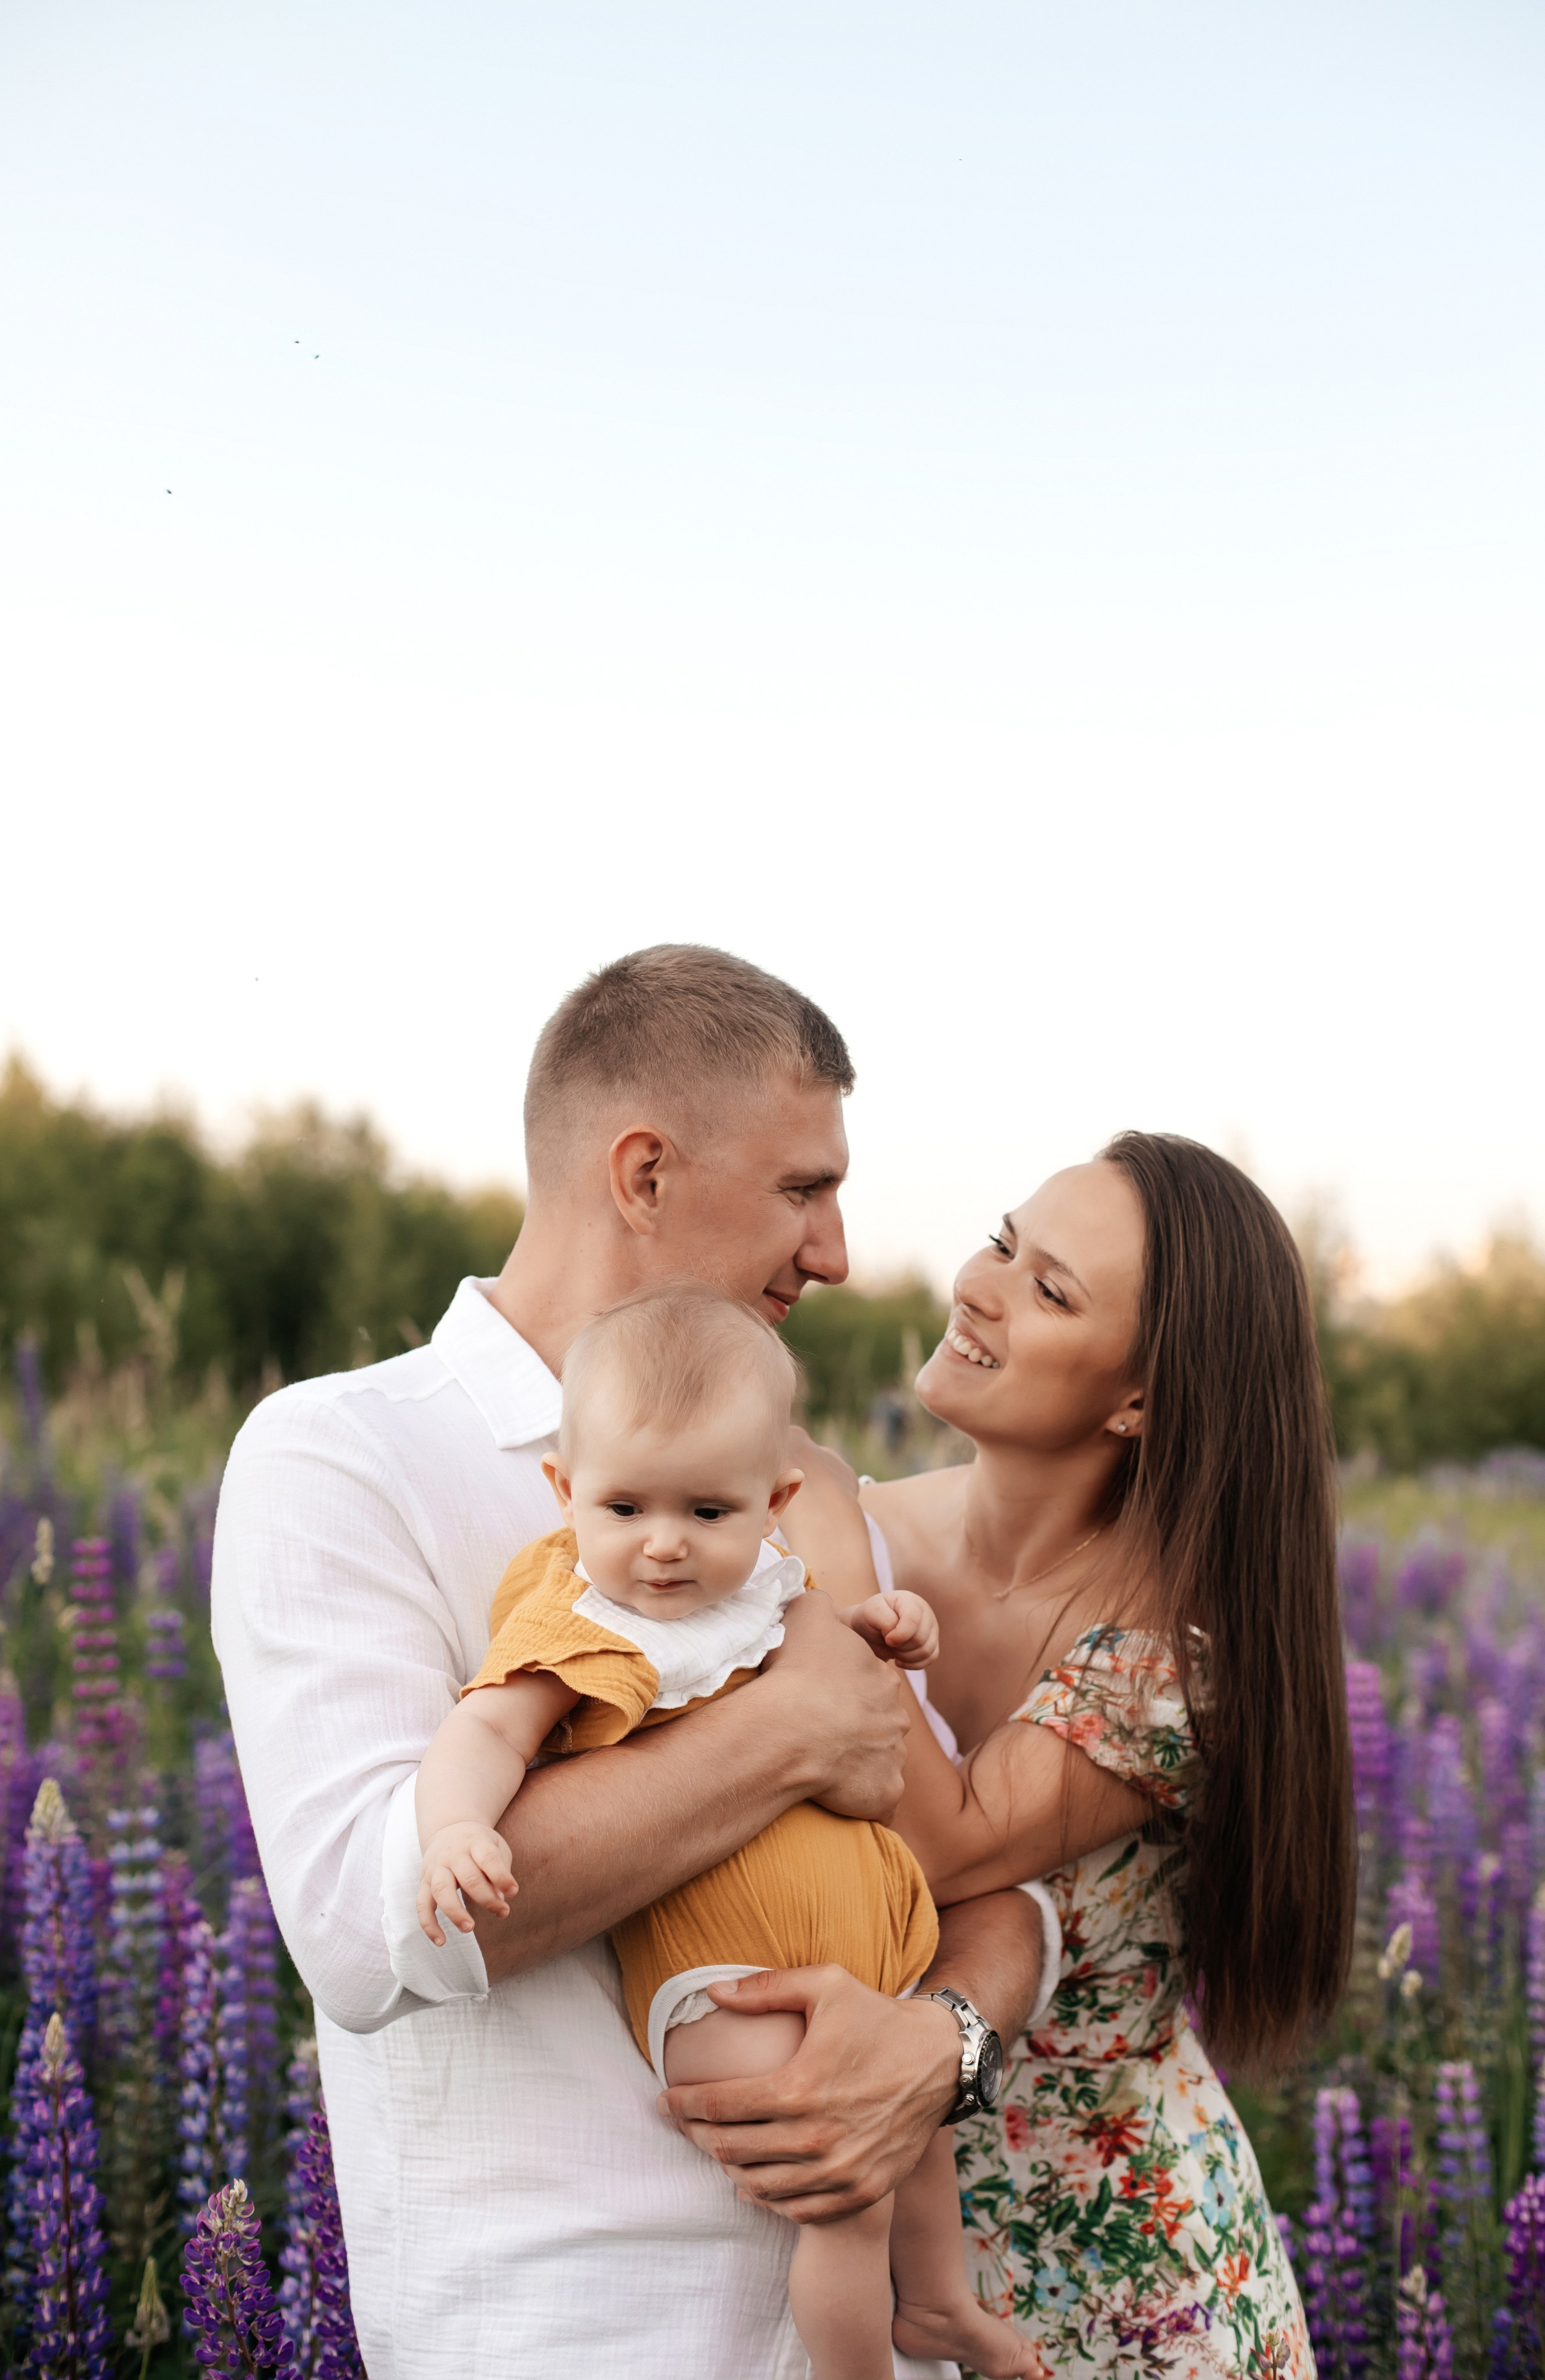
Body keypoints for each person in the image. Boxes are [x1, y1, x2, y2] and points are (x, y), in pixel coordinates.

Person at [211, 944, 1048, 2379]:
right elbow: (368, 1928)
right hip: (582, 2334)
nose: (837, 1254)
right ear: (644, 1175)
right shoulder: (342, 1454)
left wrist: (943, 2047)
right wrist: (782, 1729)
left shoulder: (790, 1488)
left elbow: (979, 1877)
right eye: (803, 1189)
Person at [785, 1134, 1355, 2377]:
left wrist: (819, 1518)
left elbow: (933, 1841)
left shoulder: (1176, 1649)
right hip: (878, 2276)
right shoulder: (877, 1530)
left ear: (1138, 1399)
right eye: (1001, 1242)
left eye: (1049, 1290)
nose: (978, 1288)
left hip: (1122, 2289)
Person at [413, 1280, 1039, 2380]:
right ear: (565, 1492)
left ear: (774, 1498)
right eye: (625, 1510)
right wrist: (457, 1830)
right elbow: (485, 1732)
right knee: (844, 2190)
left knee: (918, 2133)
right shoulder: (584, 1616)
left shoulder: (764, 1588)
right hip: (727, 1977)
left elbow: (807, 1665)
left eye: (707, 1513)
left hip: (869, 1951)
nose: (663, 1546)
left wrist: (876, 1630)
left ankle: (937, 2305)